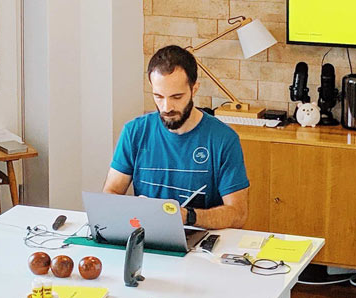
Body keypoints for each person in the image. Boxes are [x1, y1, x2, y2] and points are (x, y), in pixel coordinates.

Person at [102, 45, 250, 229]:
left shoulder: (223, 139)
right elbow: (112, 191)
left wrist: (187, 216)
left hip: (201, 241)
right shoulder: (135, 131)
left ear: (194, 89)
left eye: (177, 97)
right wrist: (134, 209)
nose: (166, 107)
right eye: (158, 96)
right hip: (146, 237)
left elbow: (238, 214)